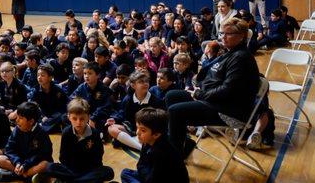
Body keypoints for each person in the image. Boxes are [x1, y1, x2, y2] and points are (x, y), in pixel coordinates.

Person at [166, 18, 260, 158]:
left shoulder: (241, 58)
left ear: (241, 37)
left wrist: (199, 94)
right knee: (172, 96)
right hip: (215, 101)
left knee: (175, 112)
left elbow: (227, 90)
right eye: (222, 33)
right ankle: (183, 144)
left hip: (229, 110)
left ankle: (175, 160)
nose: (223, 37)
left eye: (228, 34)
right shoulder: (229, 53)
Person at [41, 98, 115, 183]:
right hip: (71, 170)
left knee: (109, 172)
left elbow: (98, 157)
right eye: (74, 118)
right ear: (69, 117)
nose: (78, 122)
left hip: (89, 170)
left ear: (88, 117)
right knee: (50, 168)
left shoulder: (94, 133)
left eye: (82, 119)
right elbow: (63, 157)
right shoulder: (66, 132)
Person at [121, 108, 189, 183]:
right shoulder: (147, 141)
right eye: (137, 128)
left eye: (143, 130)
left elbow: (153, 179)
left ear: (156, 134)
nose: (137, 133)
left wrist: (144, 171)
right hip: (151, 175)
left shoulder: (163, 152)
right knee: (125, 173)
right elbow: (140, 165)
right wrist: (144, 171)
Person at [0, 101, 53, 182]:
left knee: (45, 165)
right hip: (20, 161)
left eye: (21, 118)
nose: (16, 120)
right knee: (0, 159)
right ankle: (27, 176)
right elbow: (9, 149)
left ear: (31, 121)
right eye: (17, 117)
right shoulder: (17, 129)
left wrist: (26, 164)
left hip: (34, 163)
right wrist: (17, 162)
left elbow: (43, 154)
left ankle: (15, 174)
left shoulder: (41, 133)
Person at [107, 71, 164, 150]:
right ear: (133, 85)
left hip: (147, 131)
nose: (145, 84)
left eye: (146, 81)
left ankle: (131, 142)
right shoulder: (128, 99)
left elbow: (159, 122)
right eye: (141, 82)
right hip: (132, 129)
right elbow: (122, 113)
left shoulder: (156, 101)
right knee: (111, 128)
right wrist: (114, 119)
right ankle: (140, 147)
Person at [29, 64, 68, 133]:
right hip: (42, 116)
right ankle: (46, 127)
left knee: (62, 116)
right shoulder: (36, 90)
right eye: (38, 75)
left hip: (55, 116)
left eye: (42, 75)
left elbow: (64, 106)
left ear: (50, 77)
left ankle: (41, 128)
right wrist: (42, 116)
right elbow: (33, 106)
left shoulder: (58, 90)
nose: (39, 77)